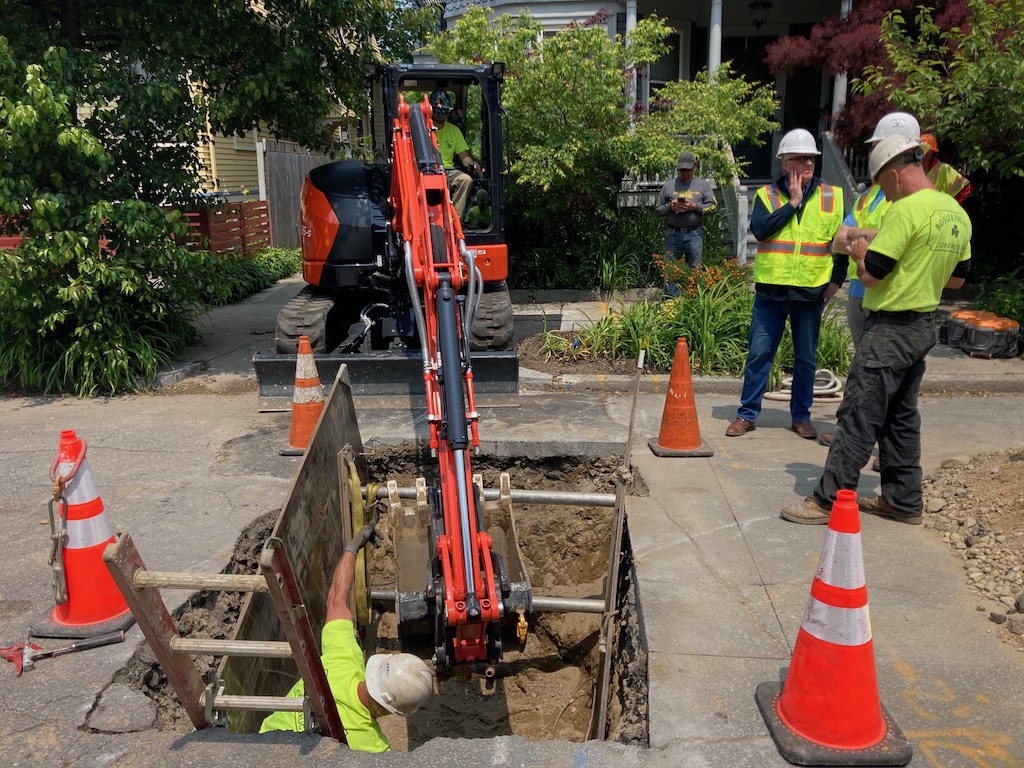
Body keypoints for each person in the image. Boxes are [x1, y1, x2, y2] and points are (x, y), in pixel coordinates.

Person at [781, 134, 972, 525]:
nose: (886, 193)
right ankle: (903, 500)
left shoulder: (905, 211)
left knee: (858, 415)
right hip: (922, 327)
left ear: (895, 175)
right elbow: (957, 281)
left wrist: (860, 253)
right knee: (901, 417)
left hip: (889, 328)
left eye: (884, 185)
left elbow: (870, 277)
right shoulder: (955, 212)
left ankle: (826, 500)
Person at [260, 514, 435, 749]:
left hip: (261, 746)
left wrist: (353, 546)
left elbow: (336, 598)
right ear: (391, 710)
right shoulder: (372, 748)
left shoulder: (342, 659)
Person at [725, 129, 845, 441]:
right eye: (799, 158)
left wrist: (835, 282)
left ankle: (801, 417)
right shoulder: (768, 195)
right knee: (759, 355)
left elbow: (840, 245)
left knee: (806, 359)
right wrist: (793, 202)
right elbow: (762, 231)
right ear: (783, 163)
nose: (807, 163)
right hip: (771, 293)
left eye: (811, 159)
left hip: (810, 293)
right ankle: (747, 414)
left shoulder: (832, 196)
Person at [654, 150, 717, 296]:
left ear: (695, 166)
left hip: (694, 233)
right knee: (670, 269)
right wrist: (670, 206)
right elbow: (657, 211)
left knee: (694, 268)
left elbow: (713, 207)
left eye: (687, 169)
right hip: (673, 233)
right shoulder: (669, 186)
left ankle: (692, 300)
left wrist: (695, 207)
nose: (684, 172)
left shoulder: (702, 185)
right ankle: (671, 303)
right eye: (681, 169)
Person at [429, 89, 483, 218]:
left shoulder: (454, 131)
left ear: (448, 111)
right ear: (430, 109)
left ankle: (455, 220)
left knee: (466, 180)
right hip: (428, 170)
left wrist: (471, 163)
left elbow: (464, 157)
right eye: (437, 110)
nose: (440, 114)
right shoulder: (422, 129)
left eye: (443, 111)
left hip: (448, 170)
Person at [920, 132, 972, 204]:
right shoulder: (917, 170)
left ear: (929, 153)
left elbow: (965, 189)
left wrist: (951, 207)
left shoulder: (943, 169)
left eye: (920, 150)